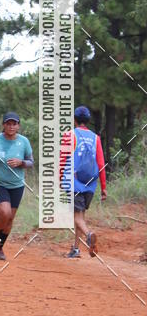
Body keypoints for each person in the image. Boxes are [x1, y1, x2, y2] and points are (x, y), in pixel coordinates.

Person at [0, 112, 34, 260]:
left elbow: (31, 162)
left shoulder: (24, 142)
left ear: (18, 126)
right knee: (5, 213)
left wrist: (21, 163)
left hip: (17, 185)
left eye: (14, 124)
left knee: (10, 219)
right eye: (8, 123)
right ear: (3, 125)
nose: (11, 126)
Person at [59, 106, 106, 258]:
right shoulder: (95, 138)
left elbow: (63, 159)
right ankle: (76, 249)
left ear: (75, 119)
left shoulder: (69, 135)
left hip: (74, 182)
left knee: (77, 217)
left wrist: (61, 178)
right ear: (88, 120)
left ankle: (89, 234)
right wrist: (103, 187)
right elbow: (101, 163)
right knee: (81, 216)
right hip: (90, 183)